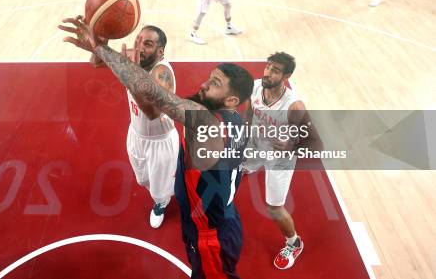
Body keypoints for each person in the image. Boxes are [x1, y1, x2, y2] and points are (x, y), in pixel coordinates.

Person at [59, 16, 255, 278]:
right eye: (210, 78)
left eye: (215, 84)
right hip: (221, 217)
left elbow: (155, 99)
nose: (204, 84)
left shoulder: (205, 121)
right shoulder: (235, 121)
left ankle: (162, 204)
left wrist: (100, 47)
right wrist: (108, 57)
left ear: (231, 100)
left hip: (210, 234)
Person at [90, 26, 179, 228]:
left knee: (157, 192)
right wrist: (98, 44)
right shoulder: (132, 56)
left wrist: (130, 73)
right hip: (136, 135)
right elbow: (95, 63)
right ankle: (167, 184)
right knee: (142, 180)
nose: (139, 46)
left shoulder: (162, 73)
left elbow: (152, 112)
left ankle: (162, 202)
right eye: (138, 40)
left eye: (147, 44)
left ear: (160, 52)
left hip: (160, 142)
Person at [243, 52, 322, 270]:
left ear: (286, 76)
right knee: (240, 161)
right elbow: (250, 111)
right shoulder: (257, 86)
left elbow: (316, 144)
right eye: (268, 67)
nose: (268, 73)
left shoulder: (293, 107)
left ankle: (294, 243)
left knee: (274, 208)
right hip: (257, 142)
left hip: (280, 157)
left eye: (275, 70)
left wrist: (292, 147)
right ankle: (249, 165)